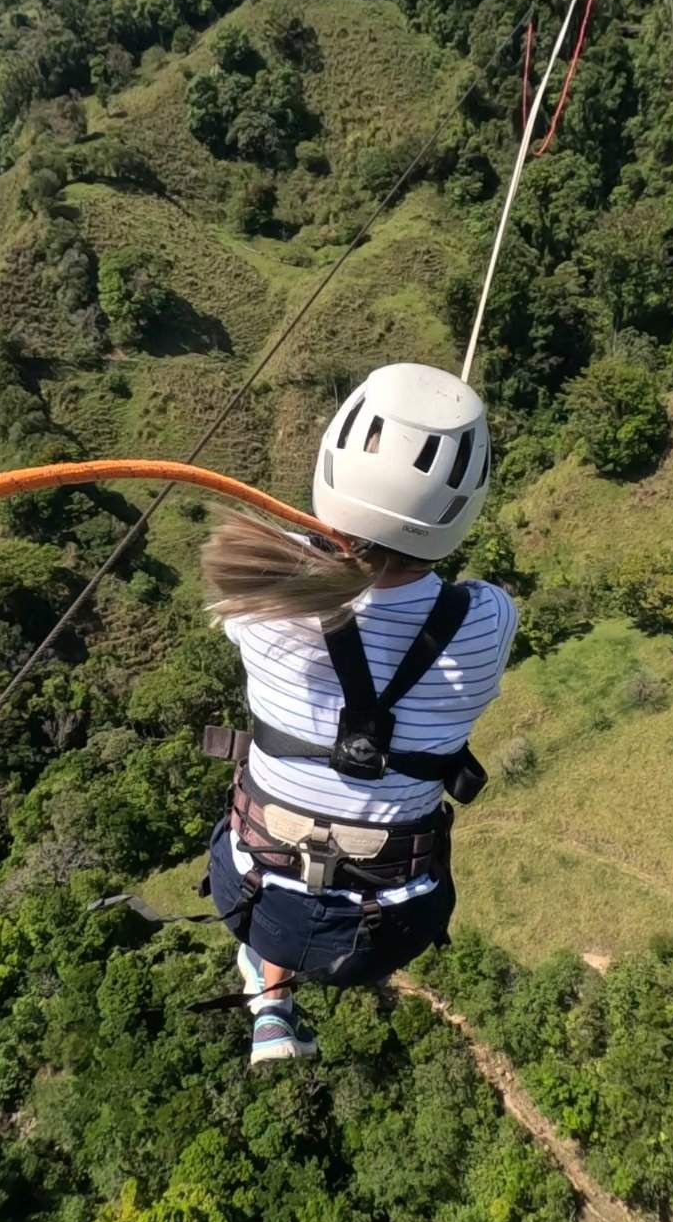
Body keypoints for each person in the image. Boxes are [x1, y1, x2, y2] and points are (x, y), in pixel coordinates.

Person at [196, 361, 515, 1066]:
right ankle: (275, 1000)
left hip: (247, 891)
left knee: (277, 858)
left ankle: (270, 998)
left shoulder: (258, 604)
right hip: (393, 925)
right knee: (320, 863)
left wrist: (323, 544)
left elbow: (310, 568)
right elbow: (423, 592)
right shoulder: (487, 619)